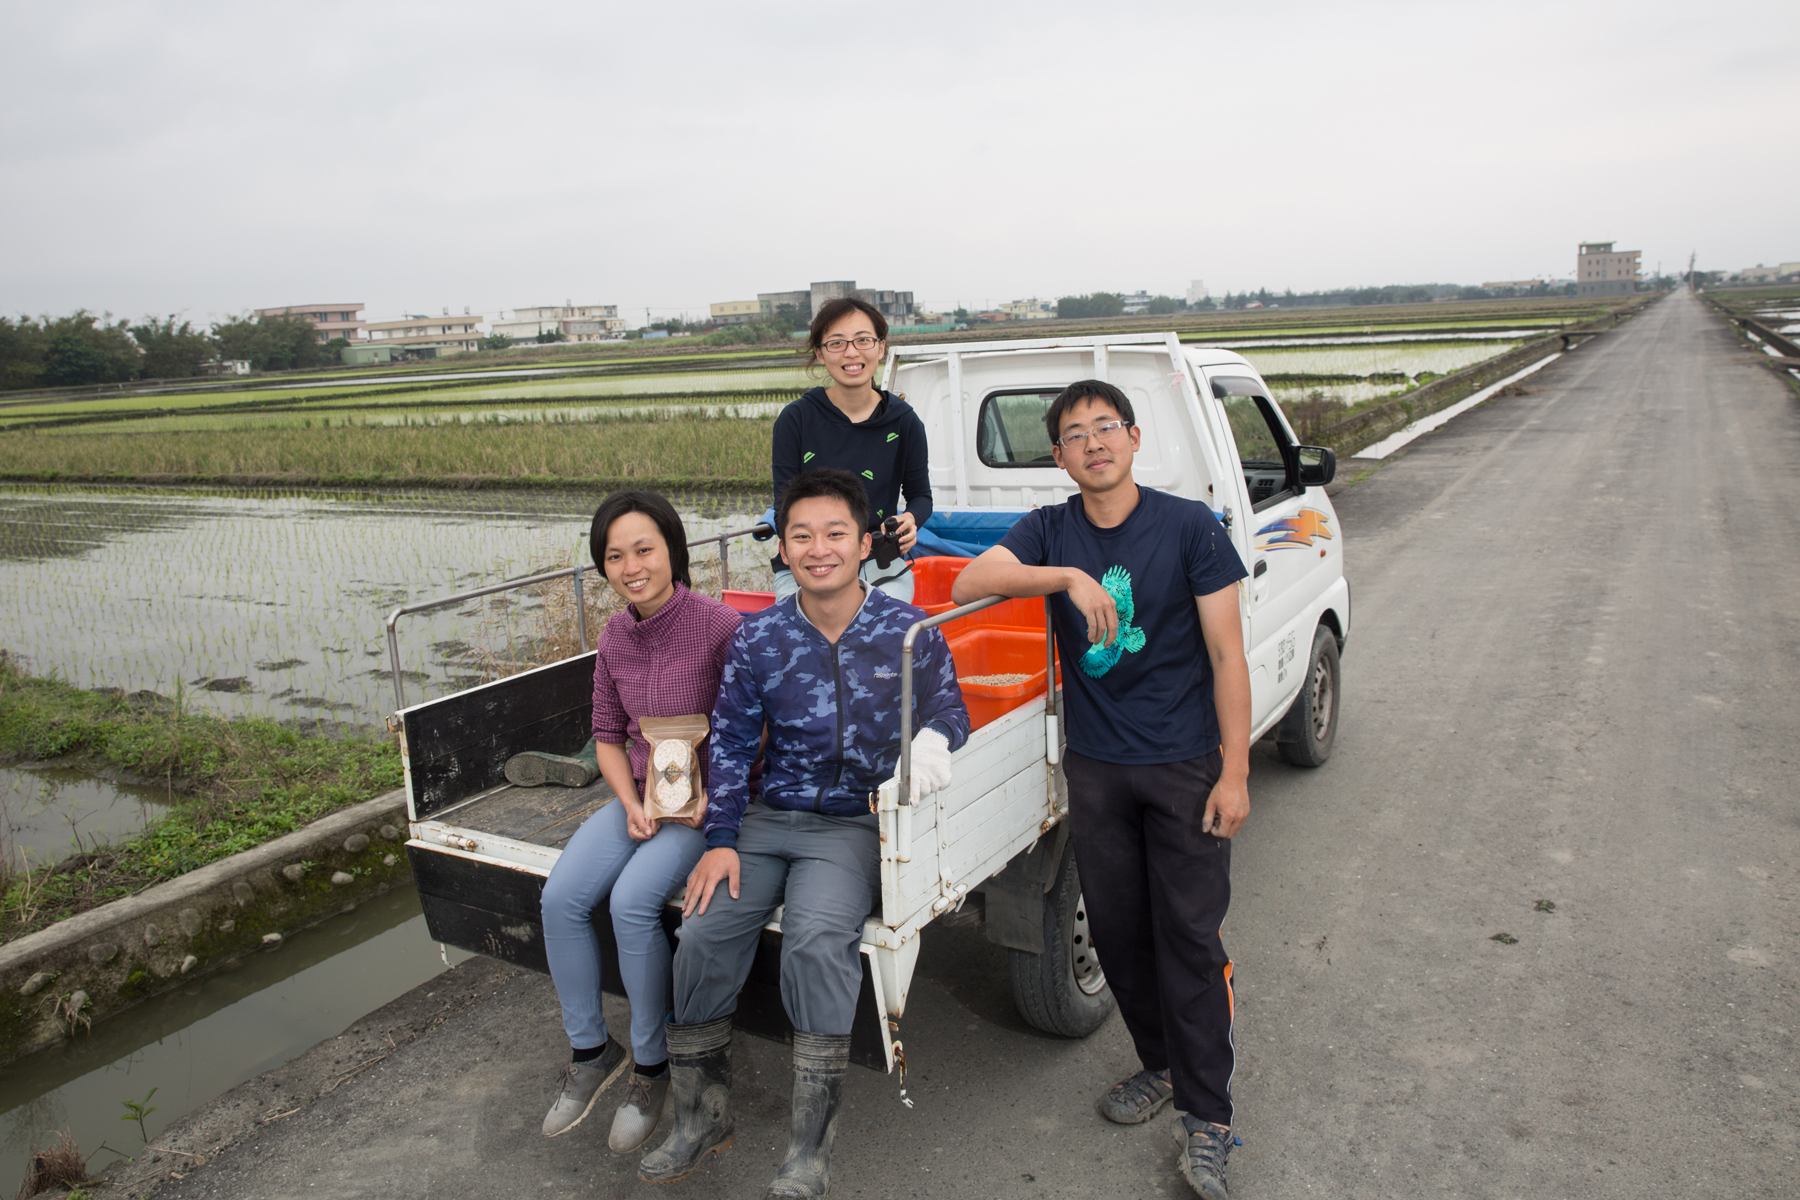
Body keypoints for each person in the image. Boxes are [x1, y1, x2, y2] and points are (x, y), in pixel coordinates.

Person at [951, 380, 1253, 1200]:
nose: (1093, 443)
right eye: (1075, 435)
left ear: (1134, 437)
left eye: (1106, 427)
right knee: (1120, 937)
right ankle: (1158, 1065)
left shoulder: (1189, 526)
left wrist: (1234, 769)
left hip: (1184, 764)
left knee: (1190, 940)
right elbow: (968, 584)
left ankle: (1209, 1116)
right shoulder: (1050, 529)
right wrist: (1063, 581)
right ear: (1058, 457)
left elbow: (1228, 655)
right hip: (1098, 767)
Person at [638, 468, 970, 1198]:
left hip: (848, 825)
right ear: (783, 550)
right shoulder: (759, 639)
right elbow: (725, 743)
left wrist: (933, 746)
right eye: (802, 536)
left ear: (863, 543)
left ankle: (808, 1150)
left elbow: (951, 709)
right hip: (764, 820)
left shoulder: (905, 634)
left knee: (819, 944)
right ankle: (700, 1117)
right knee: (702, 933)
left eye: (835, 534)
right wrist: (721, 836)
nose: (819, 549)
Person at [536, 491, 743, 1154]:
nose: (631, 565)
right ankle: (592, 1049)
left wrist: (717, 796)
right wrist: (627, 801)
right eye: (614, 555)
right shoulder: (614, 637)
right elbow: (605, 735)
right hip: (638, 795)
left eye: (644, 549)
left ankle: (653, 1066)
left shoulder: (717, 625)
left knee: (632, 902)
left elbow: (749, 729)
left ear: (672, 549)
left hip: (698, 805)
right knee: (560, 897)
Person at [769, 297, 932, 603]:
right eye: (837, 343)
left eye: (863, 340)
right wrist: (817, 547)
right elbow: (783, 506)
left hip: (880, 560)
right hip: (811, 561)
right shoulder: (797, 419)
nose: (851, 352)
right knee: (802, 638)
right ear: (820, 353)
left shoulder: (904, 421)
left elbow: (921, 496)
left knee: (883, 635)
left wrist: (911, 518)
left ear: (881, 347)